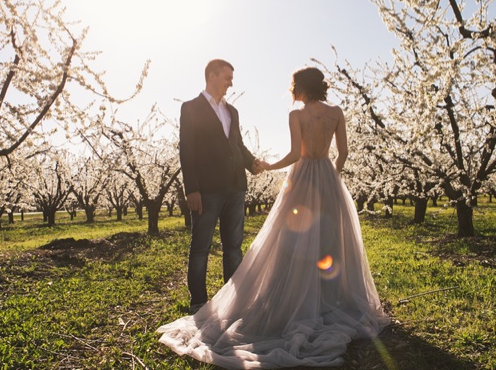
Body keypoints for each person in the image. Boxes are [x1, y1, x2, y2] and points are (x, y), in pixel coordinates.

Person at [158, 66, 389, 369]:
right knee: (332, 241)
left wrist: (268, 166)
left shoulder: (295, 115)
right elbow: (342, 152)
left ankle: (293, 298)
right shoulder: (336, 112)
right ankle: (328, 298)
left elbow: (295, 154)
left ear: (300, 87)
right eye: (227, 77)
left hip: (303, 178)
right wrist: (333, 176)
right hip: (329, 181)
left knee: (292, 239)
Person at [178, 59, 264, 315]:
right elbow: (186, 149)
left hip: (236, 187)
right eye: (227, 77)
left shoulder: (232, 111)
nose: (231, 83)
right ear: (212, 76)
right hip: (206, 189)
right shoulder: (191, 108)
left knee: (233, 247)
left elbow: (236, 144)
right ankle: (198, 302)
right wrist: (191, 188)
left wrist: (252, 163)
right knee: (201, 247)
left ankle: (232, 300)